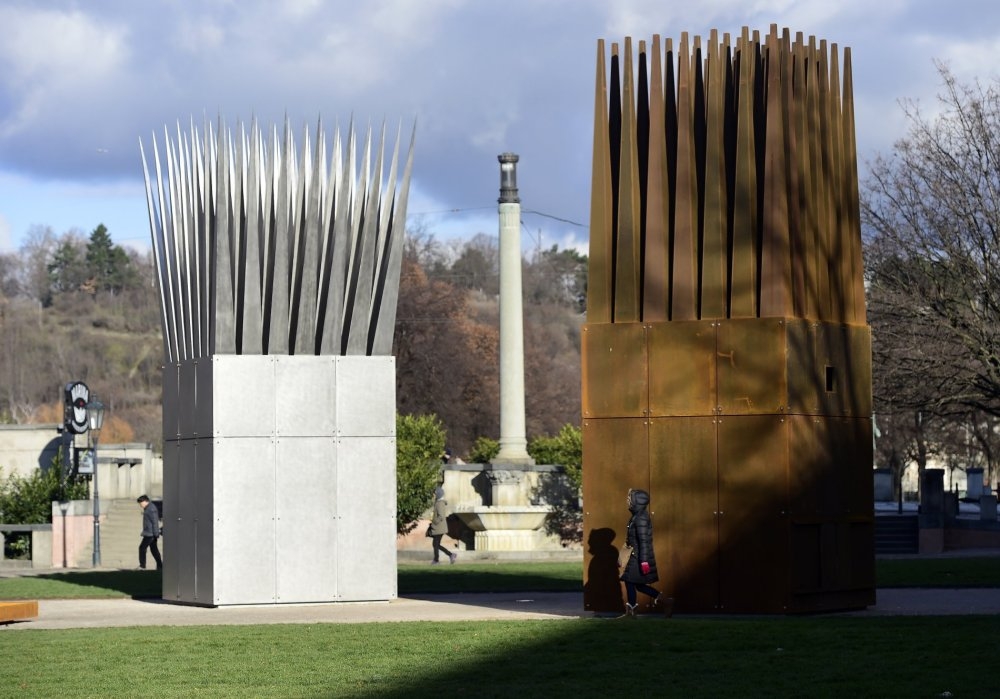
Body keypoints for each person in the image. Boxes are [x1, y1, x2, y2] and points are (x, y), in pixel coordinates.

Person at [618, 488, 672, 617]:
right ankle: (666, 601)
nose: (627, 501)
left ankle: (631, 612)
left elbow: (644, 541)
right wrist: (623, 554)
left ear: (637, 501)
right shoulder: (636, 517)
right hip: (634, 555)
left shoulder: (640, 518)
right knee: (639, 585)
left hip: (638, 557)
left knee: (629, 580)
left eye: (629, 499)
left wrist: (644, 562)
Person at [427, 487, 457, 565]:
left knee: (435, 544)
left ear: (438, 494)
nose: (434, 495)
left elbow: (441, 516)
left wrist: (434, 522)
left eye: (435, 493)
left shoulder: (440, 503)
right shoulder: (439, 502)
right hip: (439, 527)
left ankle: (436, 560)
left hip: (438, 528)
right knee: (436, 544)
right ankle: (450, 555)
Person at [137, 494, 163, 570]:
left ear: (145, 501)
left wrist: (156, 534)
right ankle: (160, 566)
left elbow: (155, 521)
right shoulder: (148, 508)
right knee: (154, 550)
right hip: (150, 532)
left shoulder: (151, 509)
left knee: (142, 548)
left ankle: (142, 566)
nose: (140, 505)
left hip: (150, 534)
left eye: (141, 503)